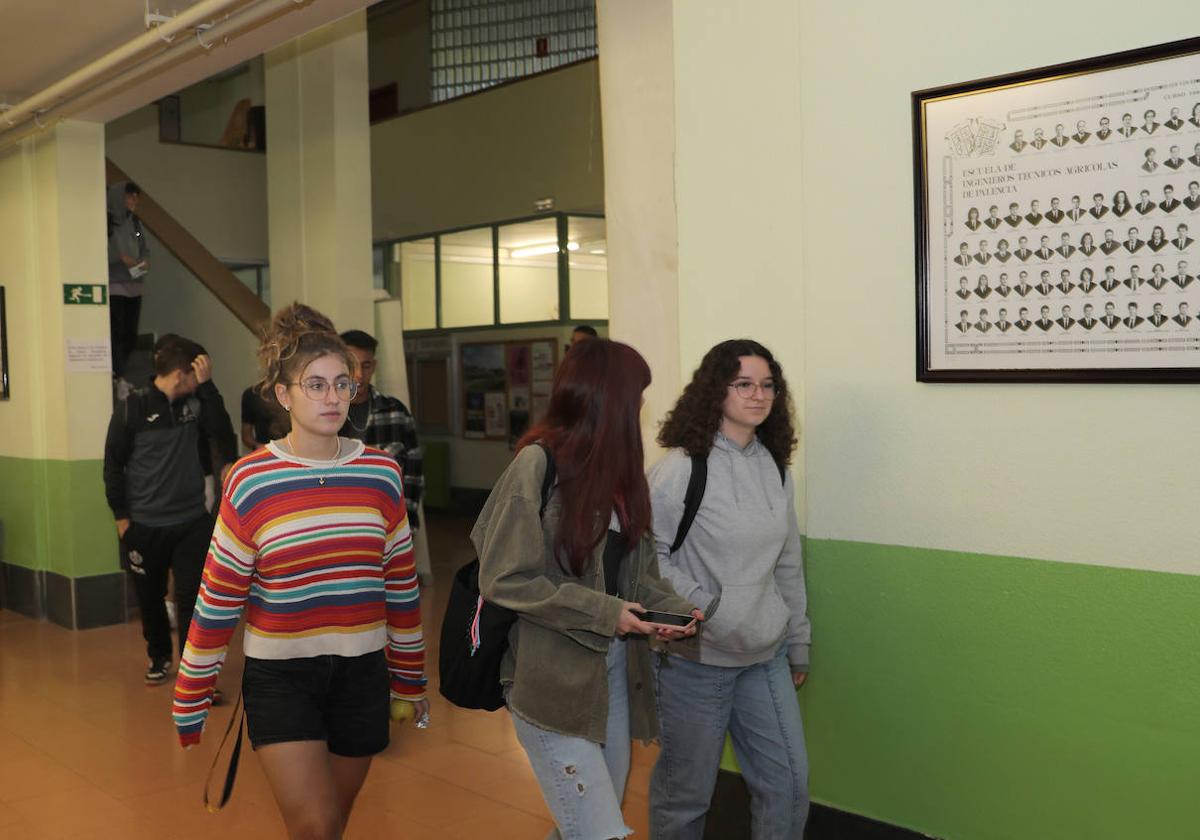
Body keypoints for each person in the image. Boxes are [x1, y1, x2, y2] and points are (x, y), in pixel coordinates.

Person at [172, 304, 428, 839]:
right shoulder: (251, 479)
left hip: (362, 674)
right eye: (315, 385)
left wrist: (409, 679)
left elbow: (401, 589)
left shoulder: (381, 473)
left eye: (342, 384)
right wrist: (193, 690)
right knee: (314, 824)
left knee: (332, 822)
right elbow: (218, 596)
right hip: (281, 678)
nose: (333, 397)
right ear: (283, 395)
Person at [474, 338, 699, 840]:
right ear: (607, 398)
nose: (642, 404)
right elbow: (504, 578)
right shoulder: (537, 465)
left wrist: (675, 612)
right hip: (549, 685)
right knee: (599, 832)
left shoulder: (622, 477)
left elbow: (641, 581)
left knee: (587, 824)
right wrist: (604, 612)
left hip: (612, 676)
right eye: (636, 393)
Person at [649, 339, 810, 840]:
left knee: (787, 784)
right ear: (715, 390)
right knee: (686, 798)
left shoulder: (774, 468)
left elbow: (787, 562)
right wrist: (709, 606)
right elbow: (647, 560)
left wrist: (798, 639)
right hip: (696, 661)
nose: (758, 395)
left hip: (765, 656)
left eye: (767, 385)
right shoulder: (680, 468)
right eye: (743, 384)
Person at [103, 334, 237, 685]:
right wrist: (122, 522)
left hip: (191, 521)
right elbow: (113, 467)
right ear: (181, 373)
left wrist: (208, 388)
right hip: (144, 526)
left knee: (193, 597)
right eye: (197, 374)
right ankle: (159, 656)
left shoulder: (196, 404)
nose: (199, 380)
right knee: (150, 598)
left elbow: (226, 437)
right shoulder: (131, 409)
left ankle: (196, 671)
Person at [338, 330, 424, 533]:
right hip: (339, 528)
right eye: (351, 364)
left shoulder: (396, 413)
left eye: (366, 365)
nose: (359, 374)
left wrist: (406, 527)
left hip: (389, 528)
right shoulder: (326, 414)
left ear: (373, 366)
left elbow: (414, 476)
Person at [108, 181, 150, 379]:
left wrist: (143, 262)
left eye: (136, 197)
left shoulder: (136, 223)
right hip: (115, 287)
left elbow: (145, 249)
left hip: (135, 286)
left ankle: (122, 373)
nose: (134, 201)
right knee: (116, 334)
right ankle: (117, 373)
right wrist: (120, 257)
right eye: (130, 196)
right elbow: (100, 249)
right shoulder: (107, 221)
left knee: (130, 336)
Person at [241, 383, 286, 452]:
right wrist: (259, 447)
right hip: (264, 451)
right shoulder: (252, 394)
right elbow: (246, 435)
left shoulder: (295, 392)